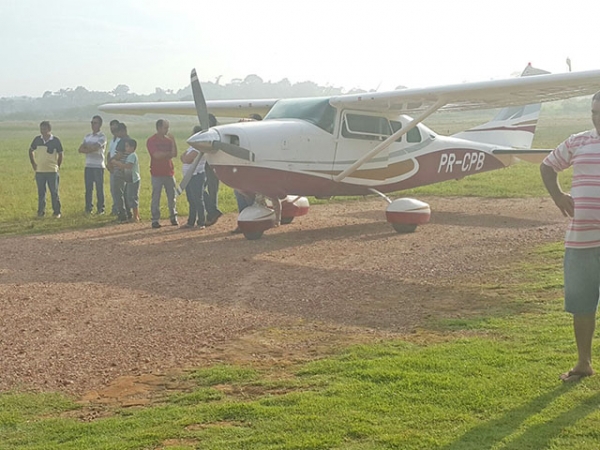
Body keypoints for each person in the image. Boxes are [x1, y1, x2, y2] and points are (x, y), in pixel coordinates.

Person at [540, 90, 600, 382]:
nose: (598, 118)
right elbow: (547, 166)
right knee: (582, 304)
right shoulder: (578, 142)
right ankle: (583, 363)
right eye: (594, 112)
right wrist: (558, 196)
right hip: (582, 240)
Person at [147, 119, 178, 228]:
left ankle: (173, 216)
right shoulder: (151, 140)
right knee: (156, 196)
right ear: (159, 128)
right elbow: (156, 155)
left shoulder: (169, 141)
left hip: (168, 172)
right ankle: (155, 219)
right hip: (157, 173)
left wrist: (173, 141)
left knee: (172, 196)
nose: (167, 130)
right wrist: (168, 154)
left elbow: (174, 154)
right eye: (165, 128)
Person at [28, 121, 63, 218]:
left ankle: (57, 212)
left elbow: (60, 154)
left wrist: (58, 165)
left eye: (44, 129)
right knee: (41, 193)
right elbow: (31, 150)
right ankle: (40, 212)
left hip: (52, 171)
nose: (42, 131)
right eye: (41, 129)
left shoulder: (55, 140)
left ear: (49, 129)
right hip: (40, 171)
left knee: (54, 192)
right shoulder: (37, 140)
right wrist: (33, 163)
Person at [78, 115, 107, 214]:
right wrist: (89, 148)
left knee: (99, 188)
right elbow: (80, 149)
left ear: (100, 124)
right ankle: (88, 208)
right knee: (88, 189)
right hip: (88, 165)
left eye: (95, 123)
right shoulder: (87, 136)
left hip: (98, 165)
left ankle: (100, 209)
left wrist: (88, 147)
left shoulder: (102, 136)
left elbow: (95, 148)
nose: (93, 125)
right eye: (92, 122)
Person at [180, 125, 207, 229]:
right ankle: (191, 221)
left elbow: (187, 159)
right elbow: (182, 157)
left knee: (198, 199)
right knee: (191, 199)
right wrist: (184, 157)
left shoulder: (199, 148)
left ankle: (201, 222)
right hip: (189, 176)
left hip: (196, 175)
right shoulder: (192, 147)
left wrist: (184, 157)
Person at [111, 138, 141, 222]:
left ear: (132, 148)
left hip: (133, 180)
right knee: (129, 197)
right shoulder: (130, 155)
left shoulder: (132, 155)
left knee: (132, 197)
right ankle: (136, 215)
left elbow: (128, 166)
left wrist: (117, 163)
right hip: (129, 179)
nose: (126, 148)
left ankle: (135, 217)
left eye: (127, 146)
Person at [109, 123, 130, 222]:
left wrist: (111, 160)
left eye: (118, 131)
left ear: (122, 131)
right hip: (127, 169)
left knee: (118, 193)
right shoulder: (129, 140)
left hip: (119, 169)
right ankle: (128, 213)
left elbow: (119, 155)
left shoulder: (122, 141)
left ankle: (122, 214)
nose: (116, 133)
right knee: (126, 193)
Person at [204, 114, 222, 226]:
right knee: (212, 190)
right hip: (210, 164)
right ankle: (212, 212)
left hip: (212, 164)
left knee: (207, 189)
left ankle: (212, 213)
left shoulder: (214, 134)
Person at [106, 119, 121, 215]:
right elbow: (109, 153)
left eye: (115, 127)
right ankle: (115, 208)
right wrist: (108, 164)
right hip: (112, 167)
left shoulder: (120, 140)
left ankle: (118, 209)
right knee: (113, 189)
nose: (113, 130)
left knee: (118, 189)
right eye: (111, 128)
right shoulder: (112, 140)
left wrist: (111, 163)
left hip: (118, 166)